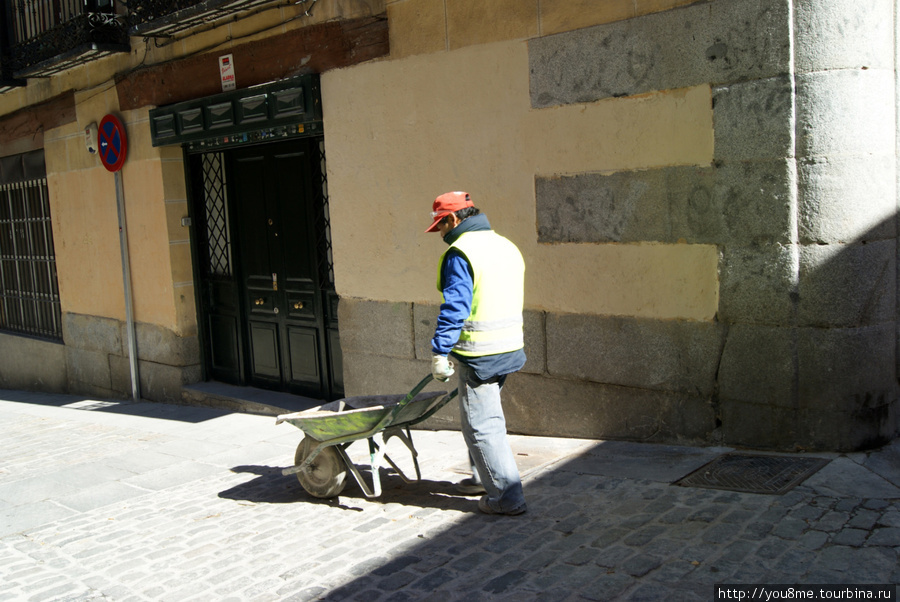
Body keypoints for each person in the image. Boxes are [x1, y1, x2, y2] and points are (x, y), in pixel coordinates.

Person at [425, 191, 527, 516]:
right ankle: (482, 477)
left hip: (480, 354)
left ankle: (507, 497)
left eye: (441, 226)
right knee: (486, 418)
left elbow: (455, 307)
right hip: (509, 347)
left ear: (453, 220)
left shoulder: (461, 252)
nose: (441, 234)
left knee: (482, 425)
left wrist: (440, 351)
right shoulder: (504, 245)